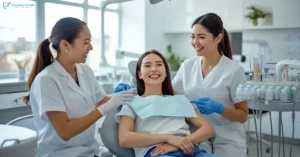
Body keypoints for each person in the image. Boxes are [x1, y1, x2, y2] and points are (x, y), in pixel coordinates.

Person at [114, 13, 248, 157]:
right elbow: (165, 89)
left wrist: (220, 109)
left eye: (201, 37)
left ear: (218, 38)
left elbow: (242, 115)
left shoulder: (235, 71)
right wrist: (131, 90)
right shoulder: (188, 66)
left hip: (224, 138)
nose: (195, 42)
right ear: (140, 73)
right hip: (193, 138)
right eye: (192, 36)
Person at [23, 17, 134, 157]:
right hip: (60, 153)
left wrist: (125, 94)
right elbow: (65, 132)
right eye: (86, 42)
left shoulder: (84, 70)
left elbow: (100, 101)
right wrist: (104, 109)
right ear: (65, 45)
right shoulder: (46, 80)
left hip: (89, 149)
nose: (91, 47)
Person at [115, 50, 223, 157]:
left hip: (191, 150)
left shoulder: (179, 100)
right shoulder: (132, 102)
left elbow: (208, 130)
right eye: (147, 66)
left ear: (166, 72)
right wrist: (168, 138)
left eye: (159, 64)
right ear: (139, 74)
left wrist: (180, 143)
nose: (154, 69)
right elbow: (124, 138)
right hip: (157, 152)